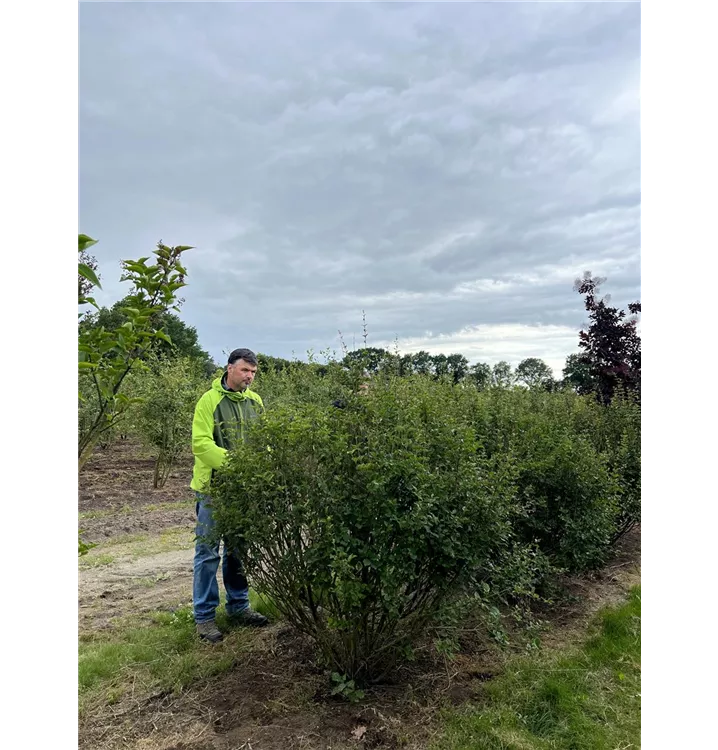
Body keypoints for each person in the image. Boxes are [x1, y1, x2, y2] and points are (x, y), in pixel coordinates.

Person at [190, 347, 269, 643]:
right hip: (214, 489)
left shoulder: (255, 402)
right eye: (245, 370)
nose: (249, 377)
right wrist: (237, 464)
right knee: (208, 553)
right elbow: (200, 443)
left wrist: (266, 464)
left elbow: (264, 440)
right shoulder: (209, 401)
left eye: (253, 372)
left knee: (240, 550)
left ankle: (239, 606)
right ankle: (204, 617)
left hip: (243, 490)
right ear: (229, 368)